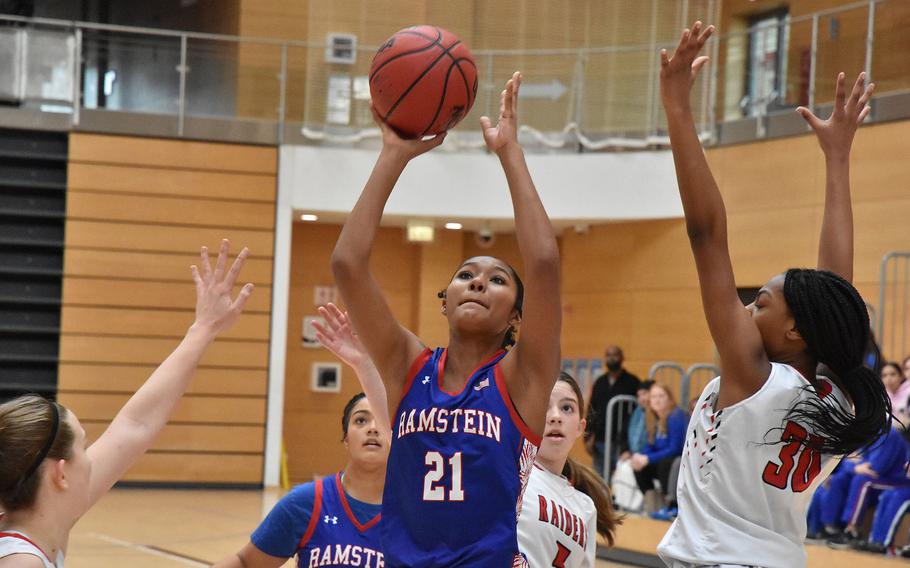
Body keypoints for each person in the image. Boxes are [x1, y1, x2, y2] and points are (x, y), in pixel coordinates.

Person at [655, 21, 891, 568]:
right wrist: (837, 160)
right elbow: (839, 292)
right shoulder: (834, 397)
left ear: (793, 332)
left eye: (759, 302)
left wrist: (678, 109)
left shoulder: (755, 378)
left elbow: (706, 235)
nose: (743, 308)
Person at [331, 71, 561, 567]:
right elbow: (347, 265)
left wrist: (510, 154)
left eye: (498, 280)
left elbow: (543, 264)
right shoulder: (407, 365)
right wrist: (393, 155)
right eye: (466, 274)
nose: (478, 282)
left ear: (517, 316)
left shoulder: (523, 376)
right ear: (446, 300)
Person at [0, 240, 252, 568]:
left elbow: (134, 426)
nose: (91, 459)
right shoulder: (22, 561)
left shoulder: (41, 522)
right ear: (60, 474)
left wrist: (202, 330)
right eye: (83, 447)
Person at [313, 306, 621, 568]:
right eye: (547, 405)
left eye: (566, 408)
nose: (554, 415)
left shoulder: (585, 506)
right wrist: (364, 364)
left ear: (581, 425)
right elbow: (405, 434)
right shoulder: (501, 463)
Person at [212, 393, 388, 568]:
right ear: (346, 439)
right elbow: (246, 563)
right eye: (360, 420)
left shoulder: (411, 511)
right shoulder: (306, 501)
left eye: (383, 420)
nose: (372, 428)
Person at [822, 425, 909, 547]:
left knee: (862, 481)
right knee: (839, 479)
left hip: (894, 480)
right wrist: (855, 467)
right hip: (877, 478)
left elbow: (877, 468)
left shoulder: (890, 434)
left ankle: (852, 531)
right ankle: (830, 528)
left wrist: (856, 465)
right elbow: (847, 461)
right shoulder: (868, 430)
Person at [630, 383, 687, 520]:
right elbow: (651, 445)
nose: (657, 400)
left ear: (669, 399)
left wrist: (648, 459)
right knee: (639, 467)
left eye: (661, 396)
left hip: (680, 462)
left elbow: (675, 448)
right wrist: (641, 456)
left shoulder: (676, 416)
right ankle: (654, 506)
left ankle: (671, 506)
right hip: (667, 460)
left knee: (664, 463)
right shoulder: (655, 418)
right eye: (654, 396)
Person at [585, 346, 641, 479]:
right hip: (600, 438)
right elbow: (592, 409)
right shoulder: (600, 382)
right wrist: (588, 436)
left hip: (622, 439)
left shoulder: (632, 382)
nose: (611, 358)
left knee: (619, 478)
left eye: (615, 355)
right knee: (599, 478)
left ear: (622, 357)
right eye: (608, 355)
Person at [881, 361, 910, 427]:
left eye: (892, 374)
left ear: (901, 376)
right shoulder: (881, 397)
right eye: (884, 375)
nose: (888, 379)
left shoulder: (908, 393)